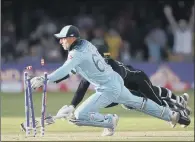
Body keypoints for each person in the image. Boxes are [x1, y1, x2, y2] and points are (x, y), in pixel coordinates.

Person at [31, 25, 180, 136]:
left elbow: (64, 69)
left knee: (77, 117)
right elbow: (70, 71)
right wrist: (71, 104)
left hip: (107, 88)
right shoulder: (87, 45)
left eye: (63, 38)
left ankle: (110, 121)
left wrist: (45, 79)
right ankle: (170, 115)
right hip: (115, 81)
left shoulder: (76, 53)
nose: (61, 41)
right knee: (138, 102)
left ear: (71, 38)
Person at [53, 52, 191, 128]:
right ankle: (179, 102)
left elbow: (116, 84)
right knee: (138, 102)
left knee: (156, 101)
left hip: (137, 81)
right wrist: (73, 105)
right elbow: (82, 86)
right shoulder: (94, 69)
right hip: (123, 89)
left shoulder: (112, 65)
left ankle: (181, 110)